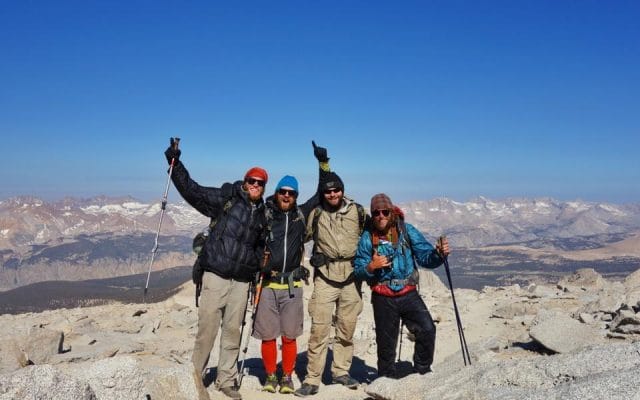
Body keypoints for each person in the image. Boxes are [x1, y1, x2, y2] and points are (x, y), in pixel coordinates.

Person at [164, 138, 267, 400]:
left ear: (264, 188)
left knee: (233, 331)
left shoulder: (264, 214)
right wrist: (175, 163)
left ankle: (226, 380)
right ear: (245, 182)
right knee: (207, 330)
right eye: (252, 180)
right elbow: (193, 191)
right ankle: (195, 376)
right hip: (215, 276)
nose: (255, 185)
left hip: (242, 283)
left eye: (260, 183)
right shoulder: (226, 199)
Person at [294, 146, 367, 397]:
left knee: (346, 328)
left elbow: (372, 237)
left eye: (336, 190)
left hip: (351, 277)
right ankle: (312, 378)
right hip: (325, 277)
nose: (332, 193)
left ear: (342, 191)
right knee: (320, 329)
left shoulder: (357, 212)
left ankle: (341, 372)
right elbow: (297, 239)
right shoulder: (316, 213)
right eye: (328, 191)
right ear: (323, 194)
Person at [353, 193, 450, 379]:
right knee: (386, 344)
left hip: (408, 292)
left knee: (427, 329)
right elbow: (358, 271)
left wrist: (439, 254)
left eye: (385, 212)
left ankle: (422, 371)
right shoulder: (367, 238)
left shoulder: (406, 230)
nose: (381, 216)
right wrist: (371, 267)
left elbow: (425, 257)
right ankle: (385, 382)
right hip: (382, 296)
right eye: (376, 213)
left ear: (391, 213)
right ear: (372, 215)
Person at [252, 175, 314, 394]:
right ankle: (270, 375)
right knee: (268, 335)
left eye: (291, 193)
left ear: (296, 196)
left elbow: (319, 195)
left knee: (289, 335)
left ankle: (286, 376)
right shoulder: (265, 213)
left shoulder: (300, 215)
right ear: (277, 192)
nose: (287, 195)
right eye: (283, 191)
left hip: (292, 284)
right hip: (268, 284)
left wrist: (323, 166)